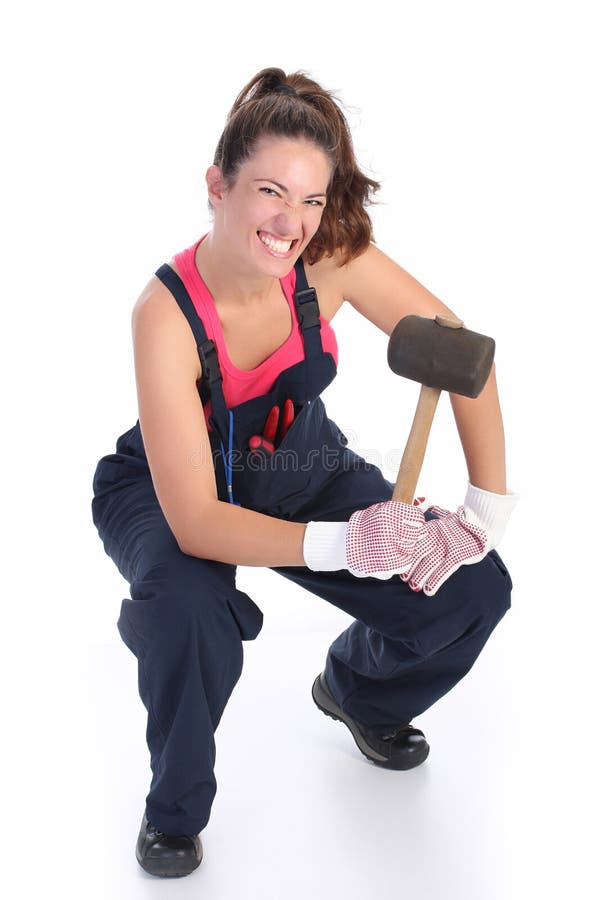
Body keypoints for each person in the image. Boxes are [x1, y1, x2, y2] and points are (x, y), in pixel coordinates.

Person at [91, 67, 517, 879]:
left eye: (313, 201)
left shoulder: (333, 263)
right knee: (189, 610)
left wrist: (481, 513)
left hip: (303, 467)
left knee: (474, 591)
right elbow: (197, 524)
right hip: (168, 489)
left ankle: (358, 693)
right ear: (218, 186)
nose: (292, 223)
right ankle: (173, 811)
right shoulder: (164, 314)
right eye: (270, 192)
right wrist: (350, 542)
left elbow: (469, 359)